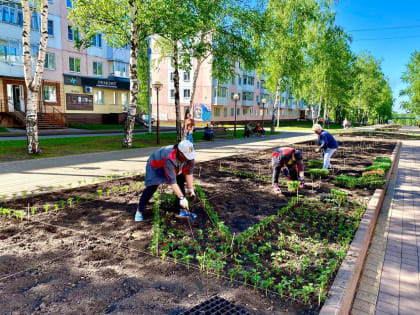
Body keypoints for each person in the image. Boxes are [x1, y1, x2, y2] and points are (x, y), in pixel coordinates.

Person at [135, 140, 197, 222]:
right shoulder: (170, 158)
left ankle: (182, 210)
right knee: (152, 186)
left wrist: (191, 189)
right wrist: (182, 198)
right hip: (156, 166)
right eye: (186, 156)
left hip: (173, 166)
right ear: (180, 152)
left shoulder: (190, 157)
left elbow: (189, 173)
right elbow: (172, 182)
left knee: (180, 181)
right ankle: (139, 211)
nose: (189, 158)